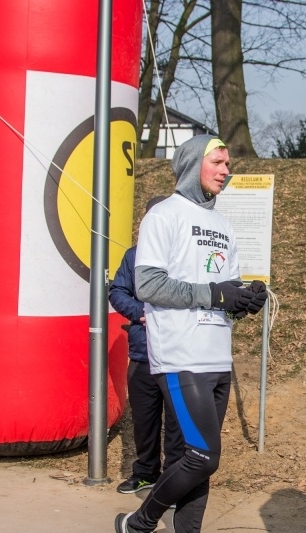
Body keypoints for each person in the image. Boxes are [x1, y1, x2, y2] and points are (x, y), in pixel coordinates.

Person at [114, 134, 268, 533]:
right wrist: (213, 294)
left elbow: (225, 292)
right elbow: (147, 286)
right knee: (203, 455)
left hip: (218, 356)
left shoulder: (223, 224)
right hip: (181, 355)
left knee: (196, 459)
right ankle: (140, 522)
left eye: (228, 164)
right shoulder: (164, 215)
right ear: (191, 164)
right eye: (217, 162)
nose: (226, 170)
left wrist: (244, 301)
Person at [109, 195, 183, 496]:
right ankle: (145, 474)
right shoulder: (134, 256)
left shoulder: (183, 257)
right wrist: (139, 313)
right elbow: (117, 291)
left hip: (179, 354)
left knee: (177, 426)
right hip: (143, 354)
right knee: (144, 420)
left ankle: (174, 483)